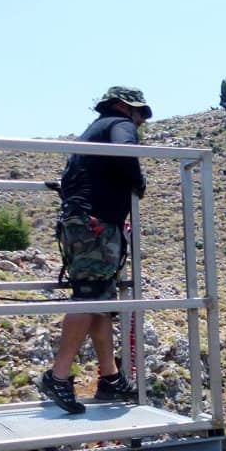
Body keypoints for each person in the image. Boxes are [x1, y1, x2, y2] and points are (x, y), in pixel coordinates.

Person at [38, 86, 152, 414]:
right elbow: (125, 150)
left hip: (82, 222)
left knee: (99, 300)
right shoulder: (119, 123)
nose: (141, 121)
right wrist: (137, 183)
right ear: (122, 106)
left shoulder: (91, 133)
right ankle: (57, 376)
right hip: (95, 224)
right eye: (140, 113)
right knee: (90, 297)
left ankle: (110, 378)